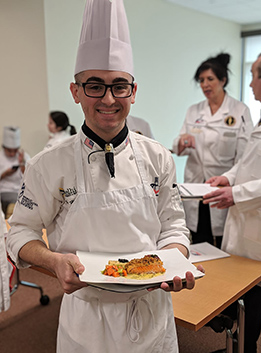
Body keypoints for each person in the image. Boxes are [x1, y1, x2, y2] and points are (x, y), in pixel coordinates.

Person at [6, 1, 203, 352]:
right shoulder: (47, 163)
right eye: (95, 85)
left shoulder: (158, 156)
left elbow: (173, 224)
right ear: (75, 91)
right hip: (86, 321)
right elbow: (20, 232)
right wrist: (53, 261)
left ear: (134, 91)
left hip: (153, 313)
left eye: (119, 86)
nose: (109, 99)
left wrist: (173, 260)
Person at [203, 52, 261, 353]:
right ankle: (239, 346)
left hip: (256, 221)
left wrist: (236, 194)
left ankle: (245, 348)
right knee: (247, 293)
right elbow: (248, 161)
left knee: (254, 296)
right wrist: (228, 178)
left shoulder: (242, 111)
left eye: (254, 75)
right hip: (246, 220)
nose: (250, 83)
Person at [171, 53, 253, 248]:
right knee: (197, 236)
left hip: (221, 185)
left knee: (221, 239)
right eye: (201, 80)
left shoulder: (239, 111)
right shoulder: (194, 110)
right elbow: (177, 145)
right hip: (195, 186)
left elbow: (245, 156)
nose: (205, 85)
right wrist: (182, 141)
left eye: (210, 79)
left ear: (222, 80)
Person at [0, 127, 30, 217]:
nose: (12, 154)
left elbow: (30, 177)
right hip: (4, 190)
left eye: (15, 150)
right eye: (9, 151)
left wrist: (22, 163)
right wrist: (5, 173)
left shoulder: (24, 156)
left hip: (19, 190)